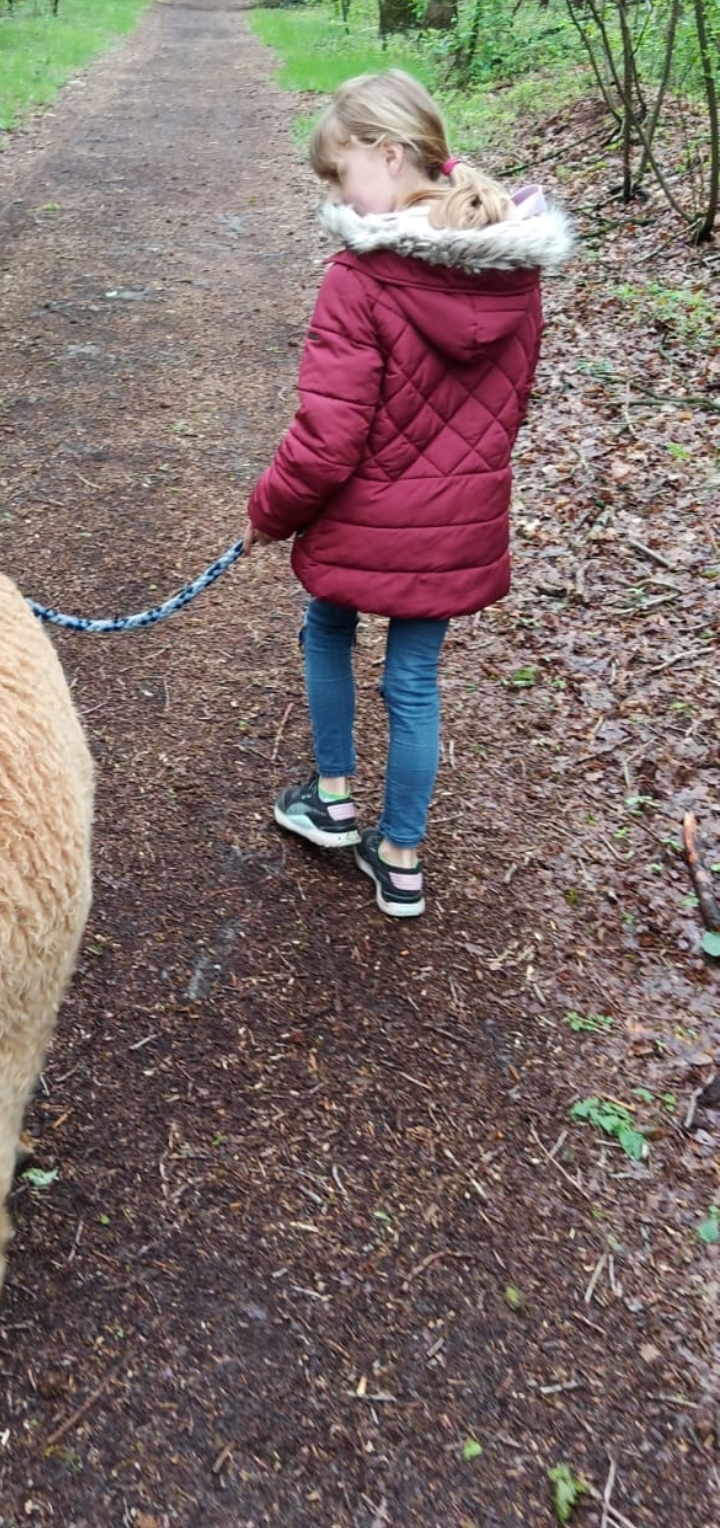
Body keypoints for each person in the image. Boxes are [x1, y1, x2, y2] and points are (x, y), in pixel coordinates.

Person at [243, 68, 571, 919]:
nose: (331, 190)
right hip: (457, 521)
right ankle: (400, 859)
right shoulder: (518, 274)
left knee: (328, 626)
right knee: (415, 680)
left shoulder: (360, 278)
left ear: (388, 156)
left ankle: (333, 800)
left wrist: (267, 516)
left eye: (336, 171)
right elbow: (511, 410)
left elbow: (326, 442)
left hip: (359, 517)